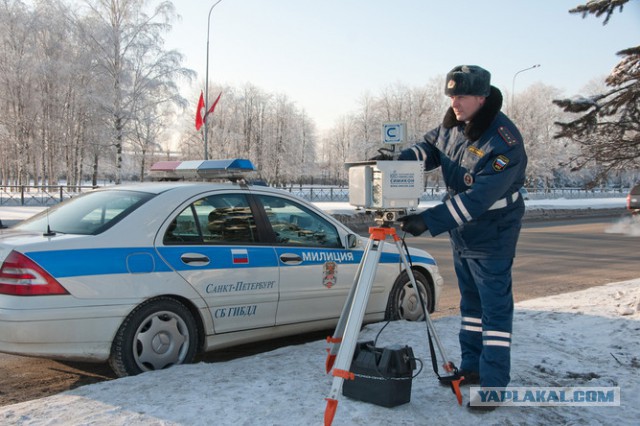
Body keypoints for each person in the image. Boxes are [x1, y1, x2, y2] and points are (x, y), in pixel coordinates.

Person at [394, 65, 527, 408]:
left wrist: (428, 221)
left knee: (494, 312)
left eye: (461, 96)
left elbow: (478, 200)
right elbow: (430, 148)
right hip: (463, 231)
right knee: (471, 305)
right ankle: (472, 368)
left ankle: (494, 384)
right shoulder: (453, 124)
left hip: (493, 231)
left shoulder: (504, 141)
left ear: (482, 97)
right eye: (451, 95)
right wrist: (400, 160)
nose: (454, 101)